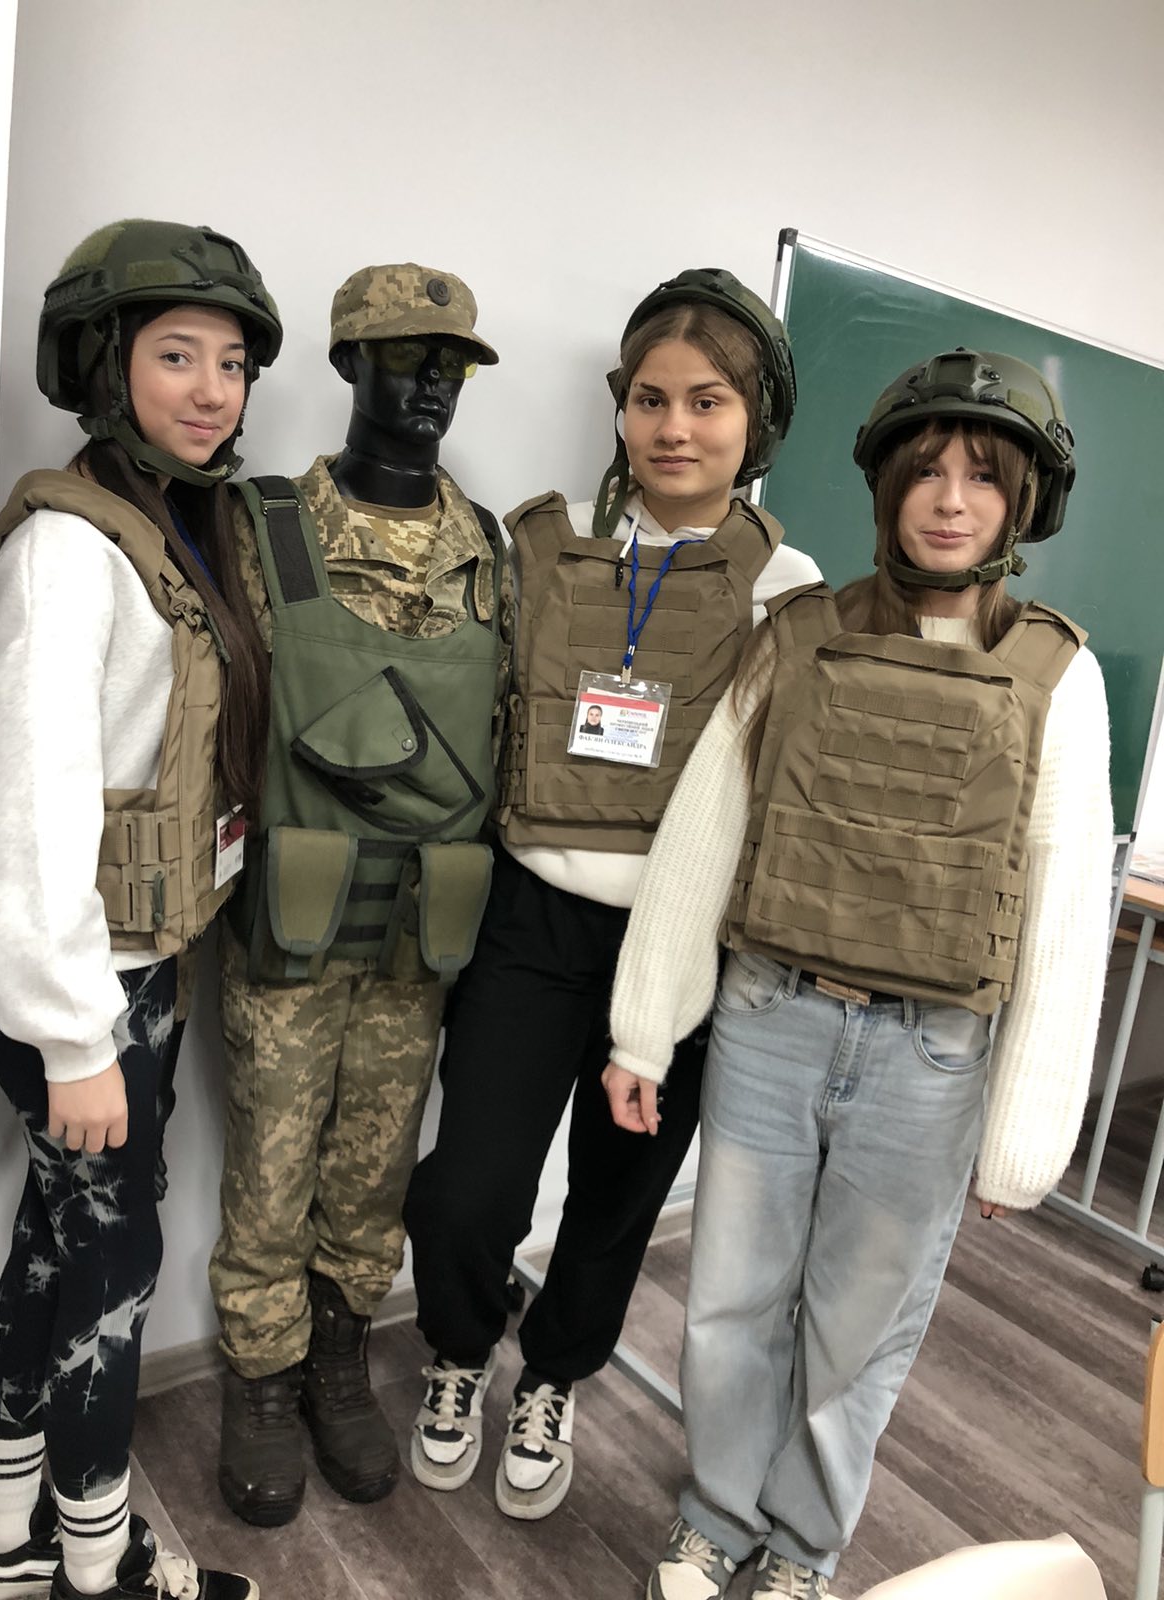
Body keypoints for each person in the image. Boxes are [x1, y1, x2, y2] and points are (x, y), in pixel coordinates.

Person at [603, 348, 1112, 1598]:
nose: (951, 500)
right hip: (771, 1017)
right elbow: (708, 829)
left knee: (860, 1329)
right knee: (730, 1299)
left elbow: (1060, 904)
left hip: (929, 1054)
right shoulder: (799, 634)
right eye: (926, 470)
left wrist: (1026, 1134)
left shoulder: (1058, 672)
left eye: (982, 477)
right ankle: (716, 1513)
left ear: (1022, 504)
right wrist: (643, 1029)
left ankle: (803, 1546)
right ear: (887, 485)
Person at [403, 268, 821, 1520]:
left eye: (706, 402)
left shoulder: (787, 585)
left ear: (754, 420)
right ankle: (460, 1350)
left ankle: (554, 1376)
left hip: (680, 947)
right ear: (620, 407)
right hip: (532, 916)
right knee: (468, 1190)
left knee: (616, 1198)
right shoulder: (547, 549)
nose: (673, 427)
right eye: (649, 399)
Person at [0, 219, 281, 1600]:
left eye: (231, 364)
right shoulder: (69, 548)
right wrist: (73, 1036)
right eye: (175, 356)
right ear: (105, 364)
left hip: (127, 970)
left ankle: (1, 1539)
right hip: (78, 987)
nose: (212, 391)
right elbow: (24, 812)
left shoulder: (174, 530)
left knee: (58, 1242)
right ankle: (101, 1566)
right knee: (116, 1265)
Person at [209, 264, 512, 1526]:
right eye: (405, 357)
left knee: (376, 1167)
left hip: (418, 929)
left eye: (452, 364)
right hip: (290, 919)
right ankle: (260, 1379)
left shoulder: (491, 549)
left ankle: (341, 1356)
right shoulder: (262, 523)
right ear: (347, 363)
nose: (434, 384)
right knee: (270, 1162)